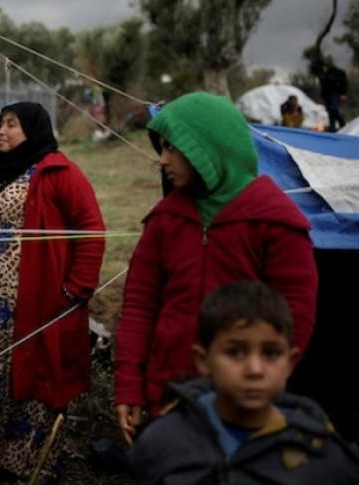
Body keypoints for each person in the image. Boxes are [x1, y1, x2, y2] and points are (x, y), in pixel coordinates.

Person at [114, 91, 318, 444]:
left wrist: (261, 383)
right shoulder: (165, 220)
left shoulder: (274, 223)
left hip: (245, 407)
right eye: (161, 148)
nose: (162, 160)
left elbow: (296, 315)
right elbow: (139, 307)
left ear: (207, 147)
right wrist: (129, 385)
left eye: (172, 148)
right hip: (170, 395)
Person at [130, 281, 359, 485]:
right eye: (235, 352)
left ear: (290, 362)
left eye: (271, 353)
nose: (254, 369)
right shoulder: (164, 440)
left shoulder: (322, 459)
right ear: (203, 360)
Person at [0, 102, 105, 485]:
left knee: (32, 377)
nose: (1, 131)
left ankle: (32, 464)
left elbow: (91, 229)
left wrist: (75, 289)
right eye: (1, 123)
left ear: (34, 130)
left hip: (33, 301)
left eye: (12, 125)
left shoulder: (58, 172)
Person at [318, 57, 348, 132]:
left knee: (333, 108)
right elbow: (323, 86)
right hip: (327, 95)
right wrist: (322, 96)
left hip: (336, 93)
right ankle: (332, 126)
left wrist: (344, 93)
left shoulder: (339, 72)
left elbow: (344, 83)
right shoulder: (325, 73)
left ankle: (342, 122)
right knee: (329, 110)